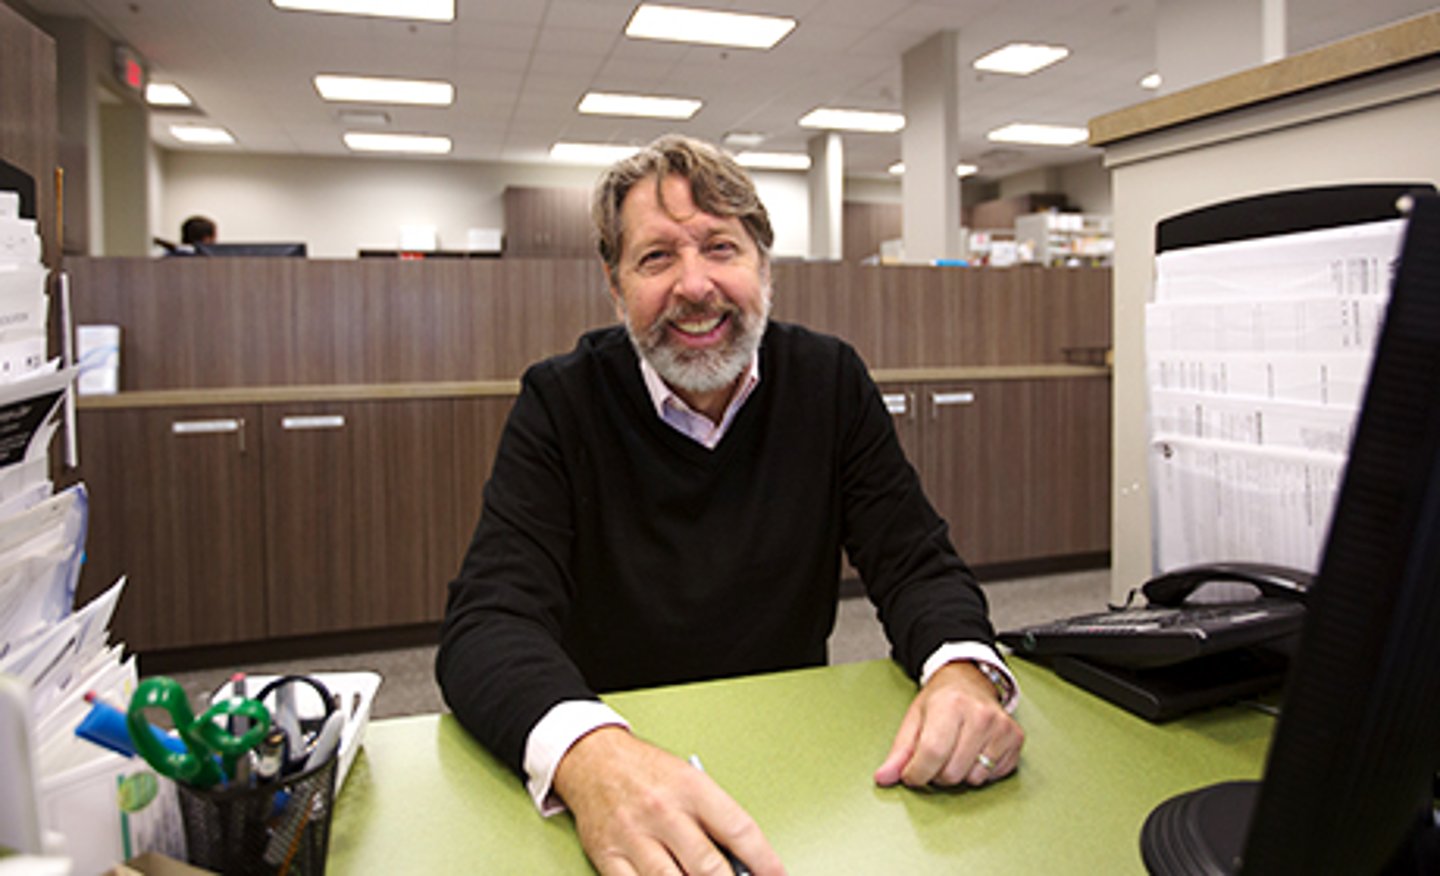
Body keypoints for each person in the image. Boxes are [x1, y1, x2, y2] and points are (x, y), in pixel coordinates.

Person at [437, 134, 1025, 875]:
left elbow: (916, 564)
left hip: (798, 766)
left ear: (763, 267)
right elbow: (488, 623)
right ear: (615, 287)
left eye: (721, 247)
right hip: (618, 756)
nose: (694, 285)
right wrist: (592, 757)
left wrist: (962, 670)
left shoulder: (829, 380)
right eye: (656, 257)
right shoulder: (561, 401)